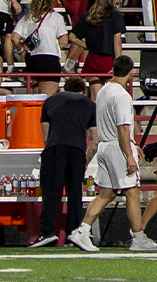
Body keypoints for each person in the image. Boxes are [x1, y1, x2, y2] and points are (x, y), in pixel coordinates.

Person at [70, 56, 157, 252]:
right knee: (132, 192)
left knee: (107, 193)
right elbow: (122, 128)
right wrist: (128, 153)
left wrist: (129, 144)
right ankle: (138, 237)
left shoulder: (103, 90)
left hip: (104, 145)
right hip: (116, 148)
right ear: (131, 72)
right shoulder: (122, 95)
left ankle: (82, 231)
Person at [33, 77, 96, 248]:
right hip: (77, 150)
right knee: (75, 193)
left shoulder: (50, 101)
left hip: (55, 147)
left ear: (64, 88)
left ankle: (47, 232)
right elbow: (94, 141)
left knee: (51, 191)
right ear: (82, 91)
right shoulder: (90, 105)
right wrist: (85, 160)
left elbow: (45, 135)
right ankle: (74, 233)